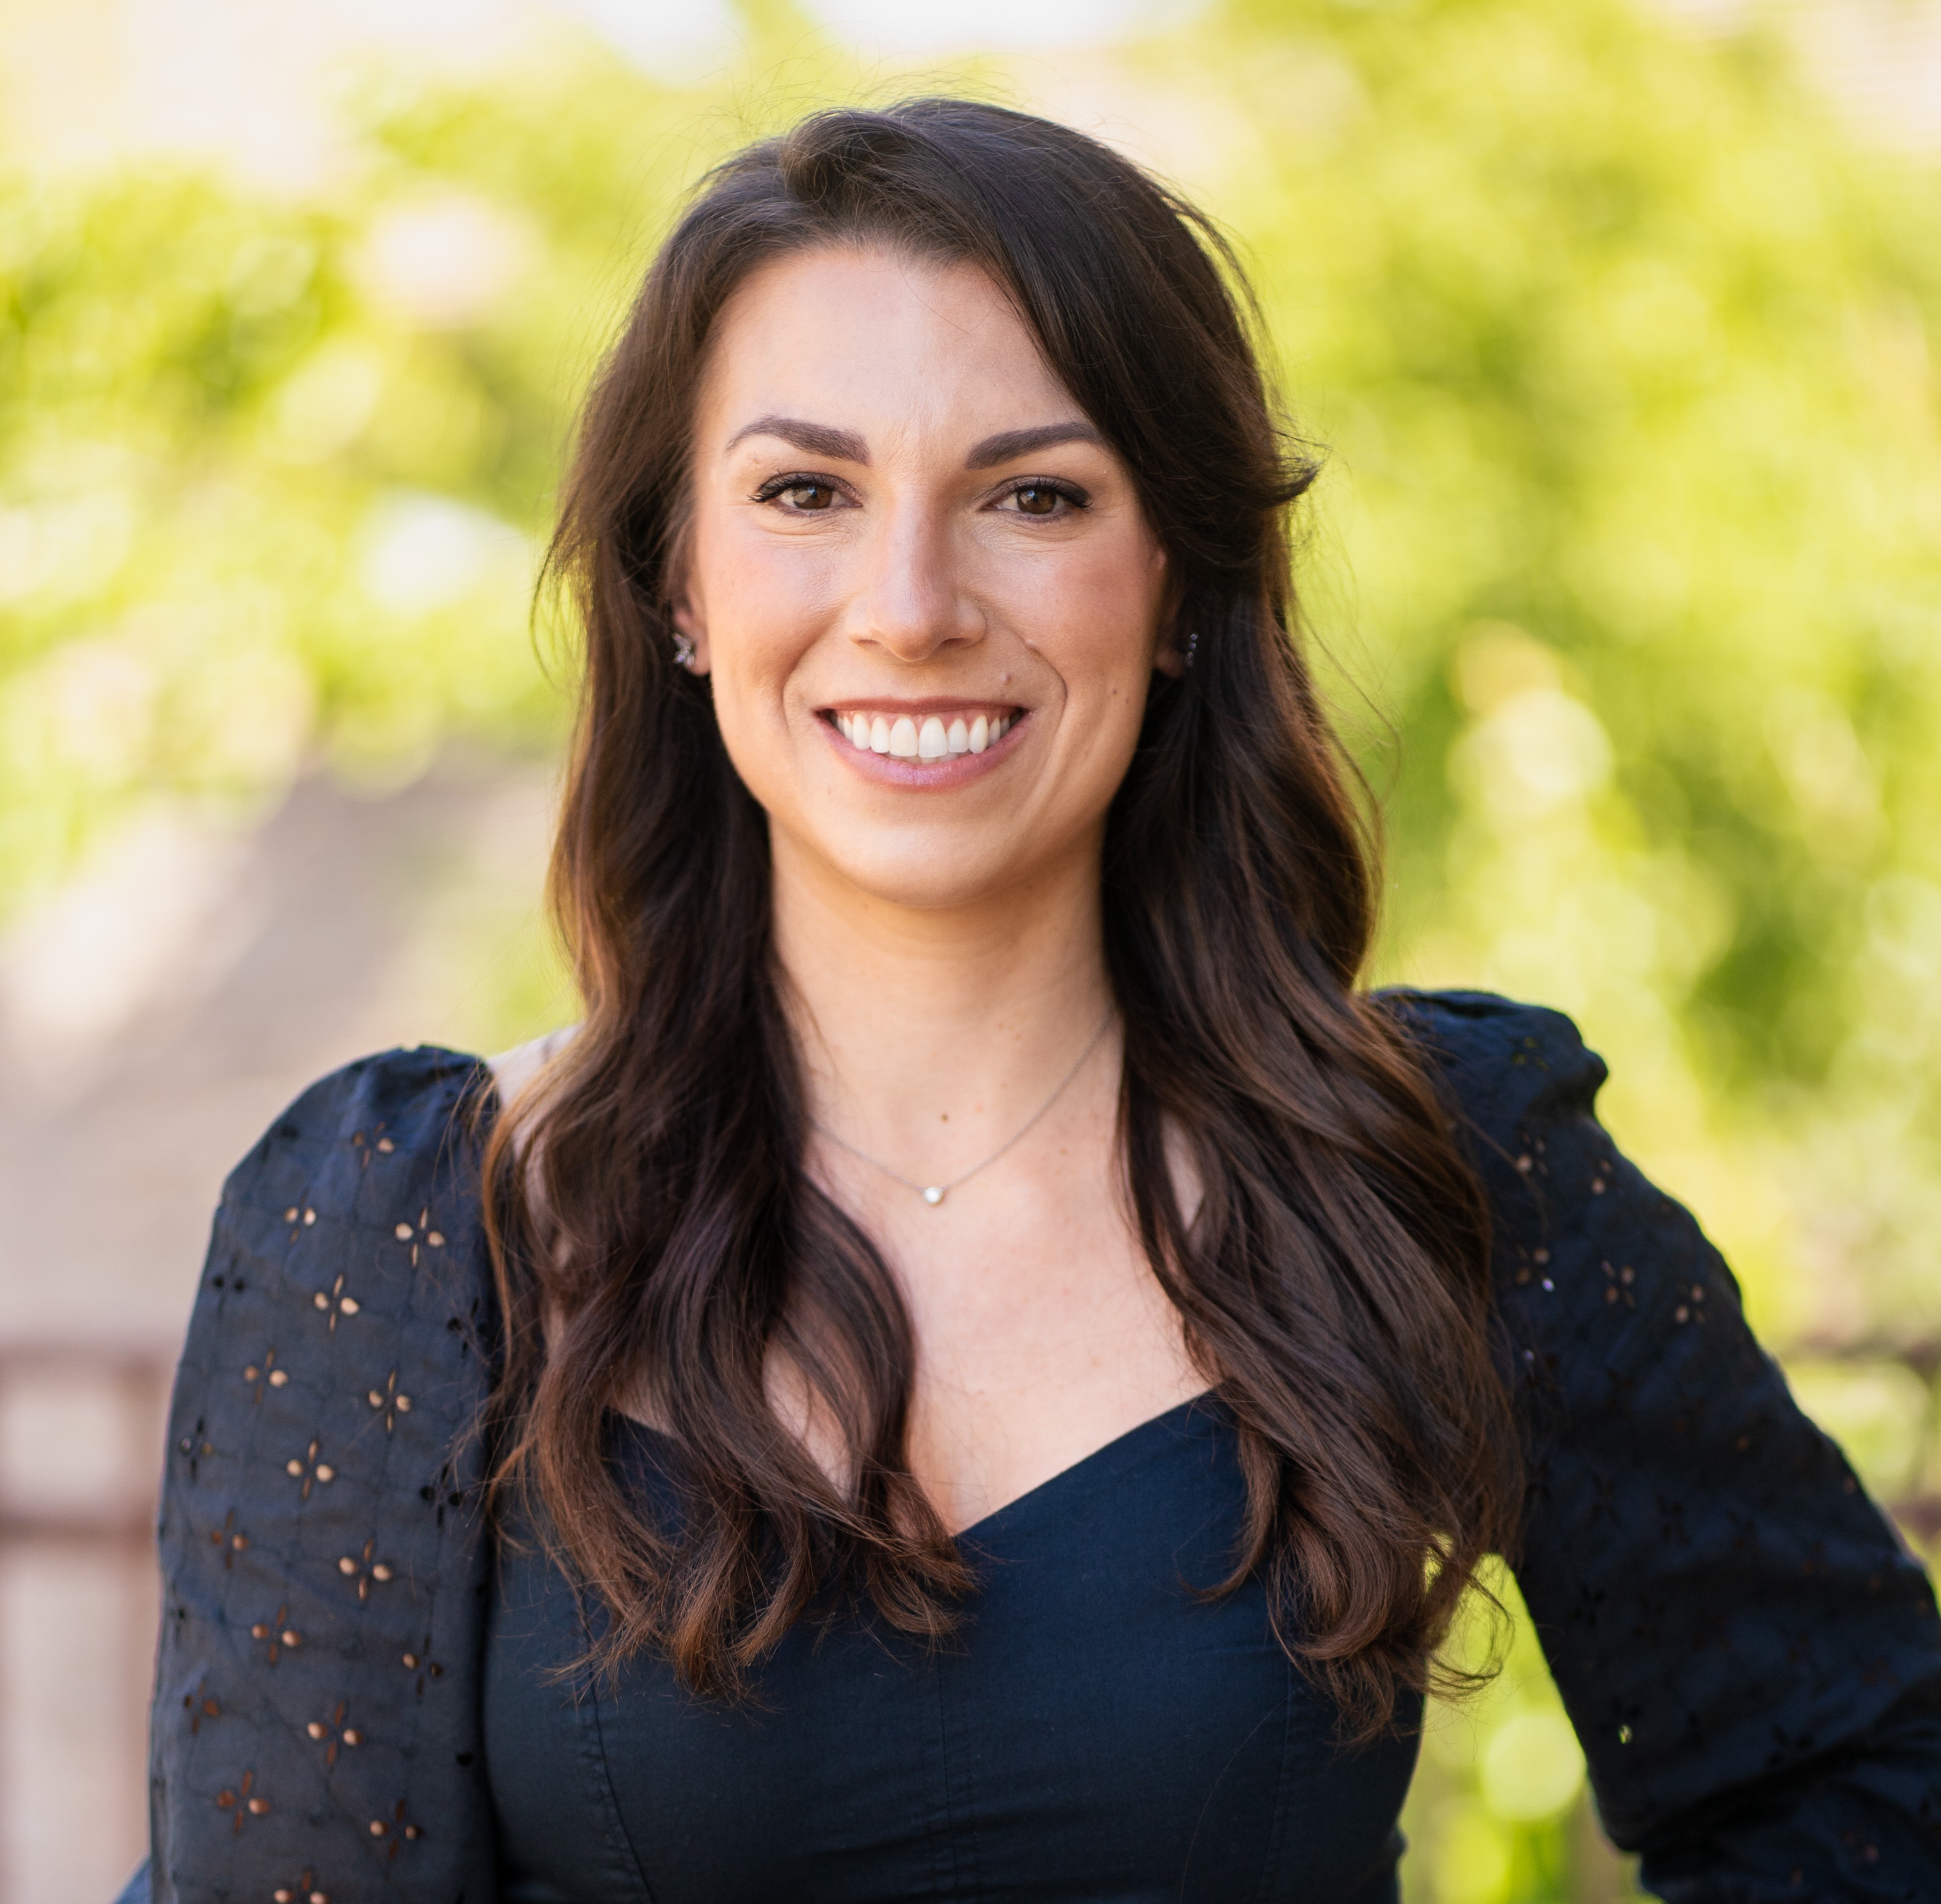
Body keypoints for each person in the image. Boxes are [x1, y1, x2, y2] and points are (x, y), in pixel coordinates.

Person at [122, 100, 1940, 1904]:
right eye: (804, 493)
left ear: (1176, 587)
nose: (910, 605)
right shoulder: (416, 1217)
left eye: (1033, 495)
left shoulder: (1427, 1159)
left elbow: (1868, 1789)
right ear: (680, 580)